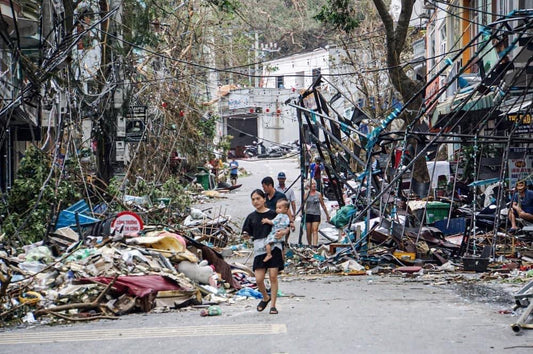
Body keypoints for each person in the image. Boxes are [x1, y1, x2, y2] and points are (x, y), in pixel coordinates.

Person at [242, 189, 287, 315]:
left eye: (258, 198)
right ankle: (265, 297)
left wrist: (284, 232)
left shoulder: (274, 214)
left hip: (274, 248)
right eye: (253, 199)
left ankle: (273, 305)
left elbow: (286, 227)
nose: (255, 201)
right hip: (259, 249)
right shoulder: (251, 217)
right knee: (258, 279)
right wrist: (245, 235)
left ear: (264, 199)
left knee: (273, 276)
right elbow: (246, 232)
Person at [303, 180, 330, 246]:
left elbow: (323, 205)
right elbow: (303, 204)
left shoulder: (318, 194)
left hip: (316, 214)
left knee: (315, 230)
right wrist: (302, 213)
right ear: (309, 186)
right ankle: (309, 244)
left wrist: (327, 215)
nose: (314, 185)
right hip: (308, 214)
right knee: (308, 231)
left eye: (315, 184)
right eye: (312, 184)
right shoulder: (306, 194)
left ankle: (315, 245)